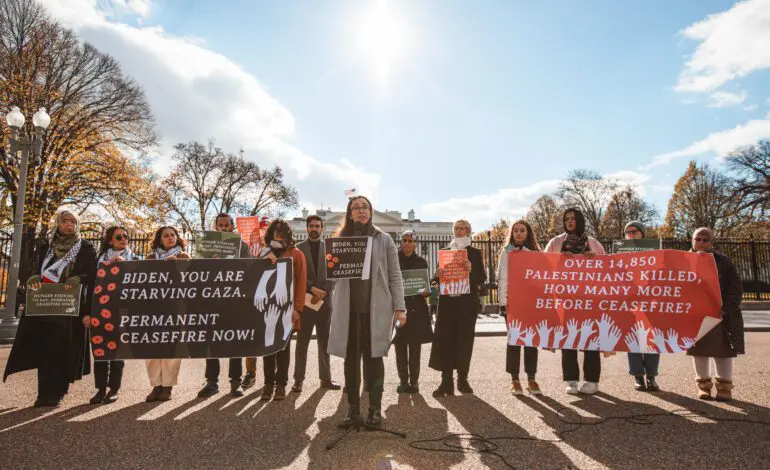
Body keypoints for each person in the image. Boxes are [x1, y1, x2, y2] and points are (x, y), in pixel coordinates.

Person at [3, 208, 96, 407]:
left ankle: (58, 392)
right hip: (44, 304)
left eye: (73, 221)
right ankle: (43, 392)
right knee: (44, 348)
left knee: (62, 349)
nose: (69, 225)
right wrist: (33, 277)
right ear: (58, 223)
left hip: (69, 307)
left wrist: (79, 278)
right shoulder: (47, 245)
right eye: (65, 221)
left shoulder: (85, 247)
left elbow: (93, 274)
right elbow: (34, 268)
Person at [328, 196, 406, 429]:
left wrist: (400, 307)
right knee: (351, 362)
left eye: (365, 207)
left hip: (375, 310)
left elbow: (395, 275)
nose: (361, 211)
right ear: (349, 213)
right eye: (356, 208)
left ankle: (375, 410)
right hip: (349, 311)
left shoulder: (384, 239)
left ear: (371, 212)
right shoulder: (340, 240)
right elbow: (330, 275)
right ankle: (353, 411)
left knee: (374, 360)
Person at [544, 208, 606, 395]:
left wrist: (594, 260)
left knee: (591, 339)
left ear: (580, 220)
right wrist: (559, 260)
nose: (570, 222)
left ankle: (592, 380)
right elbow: (543, 267)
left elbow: (607, 271)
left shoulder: (593, 244)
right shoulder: (555, 243)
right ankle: (571, 380)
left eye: (573, 218)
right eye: (567, 219)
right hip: (565, 300)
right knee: (568, 339)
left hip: (589, 299)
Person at [246, 219, 306, 402]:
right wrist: (263, 257)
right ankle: (268, 384)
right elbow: (252, 275)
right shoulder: (264, 252)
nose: (278, 234)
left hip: (288, 310)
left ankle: (281, 384)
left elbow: (301, 282)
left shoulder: (296, 254)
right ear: (271, 233)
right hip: (267, 309)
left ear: (287, 234)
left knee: (283, 349)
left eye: (282, 231)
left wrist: (297, 308)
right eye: (275, 231)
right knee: (268, 348)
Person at [429, 219, 487, 397]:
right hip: (447, 303)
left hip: (466, 304)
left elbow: (482, 277)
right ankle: (446, 382)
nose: (459, 231)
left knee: (464, 341)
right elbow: (435, 279)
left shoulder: (474, 253)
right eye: (457, 228)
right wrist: (438, 274)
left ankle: (463, 379)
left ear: (468, 231)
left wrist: (471, 269)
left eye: (463, 228)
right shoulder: (445, 251)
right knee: (445, 340)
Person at [687, 228, 744, 402]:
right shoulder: (683, 260)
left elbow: (735, 288)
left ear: (712, 242)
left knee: (723, 351)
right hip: (694, 315)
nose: (701, 243)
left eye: (706, 240)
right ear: (692, 241)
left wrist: (726, 308)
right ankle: (703, 386)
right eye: (698, 239)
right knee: (699, 352)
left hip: (720, 315)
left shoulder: (724, 261)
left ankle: (724, 387)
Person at [198, 213, 250, 399]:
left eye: (227, 225)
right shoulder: (206, 245)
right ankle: (212, 382)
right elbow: (199, 271)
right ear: (216, 227)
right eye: (220, 225)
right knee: (211, 342)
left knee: (235, 342)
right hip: (212, 300)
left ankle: (236, 382)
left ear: (232, 226)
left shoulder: (243, 246)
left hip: (234, 300)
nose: (224, 228)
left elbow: (248, 269)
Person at [292, 215, 341, 393]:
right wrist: (312, 289)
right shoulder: (298, 249)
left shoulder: (329, 248)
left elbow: (334, 274)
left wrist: (323, 292)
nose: (314, 229)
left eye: (317, 226)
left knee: (324, 342)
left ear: (322, 228)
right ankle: (298, 380)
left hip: (324, 303)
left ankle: (325, 379)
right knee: (302, 342)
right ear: (307, 228)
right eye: (311, 226)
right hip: (305, 302)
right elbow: (295, 275)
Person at [90, 226, 139, 405]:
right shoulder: (98, 261)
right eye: (119, 237)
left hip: (123, 310)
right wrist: (87, 312)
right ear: (110, 240)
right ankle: (100, 389)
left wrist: (124, 266)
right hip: (100, 310)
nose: (123, 239)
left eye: (125, 236)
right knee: (100, 351)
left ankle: (114, 388)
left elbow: (140, 285)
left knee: (118, 352)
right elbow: (90, 286)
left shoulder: (135, 259)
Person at [144, 226, 190, 402]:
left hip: (175, 308)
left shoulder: (183, 257)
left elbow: (191, 281)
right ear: (159, 239)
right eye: (166, 235)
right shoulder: (150, 258)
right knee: (152, 346)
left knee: (172, 346)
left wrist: (175, 267)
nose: (170, 238)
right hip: (153, 308)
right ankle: (156, 385)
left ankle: (167, 386)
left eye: (173, 235)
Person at [497, 220, 542, 396]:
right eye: (515, 230)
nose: (518, 233)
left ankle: (531, 378)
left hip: (530, 303)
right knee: (514, 341)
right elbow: (503, 279)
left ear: (528, 233)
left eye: (522, 230)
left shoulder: (536, 253)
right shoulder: (506, 252)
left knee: (531, 341)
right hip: (513, 304)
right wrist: (503, 304)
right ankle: (515, 379)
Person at [623, 221, 661, 392]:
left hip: (651, 301)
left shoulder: (655, 252)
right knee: (634, 339)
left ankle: (651, 376)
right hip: (630, 303)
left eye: (634, 231)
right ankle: (638, 376)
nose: (631, 234)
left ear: (642, 234)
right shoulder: (621, 254)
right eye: (628, 232)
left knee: (652, 339)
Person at [393, 230, 433, 393]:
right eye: (404, 240)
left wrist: (426, 292)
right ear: (401, 242)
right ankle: (403, 381)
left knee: (415, 347)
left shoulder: (421, 262)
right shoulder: (394, 260)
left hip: (416, 308)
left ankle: (414, 382)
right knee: (399, 345)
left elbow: (426, 288)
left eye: (410, 241)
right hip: (399, 308)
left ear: (415, 244)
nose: (407, 243)